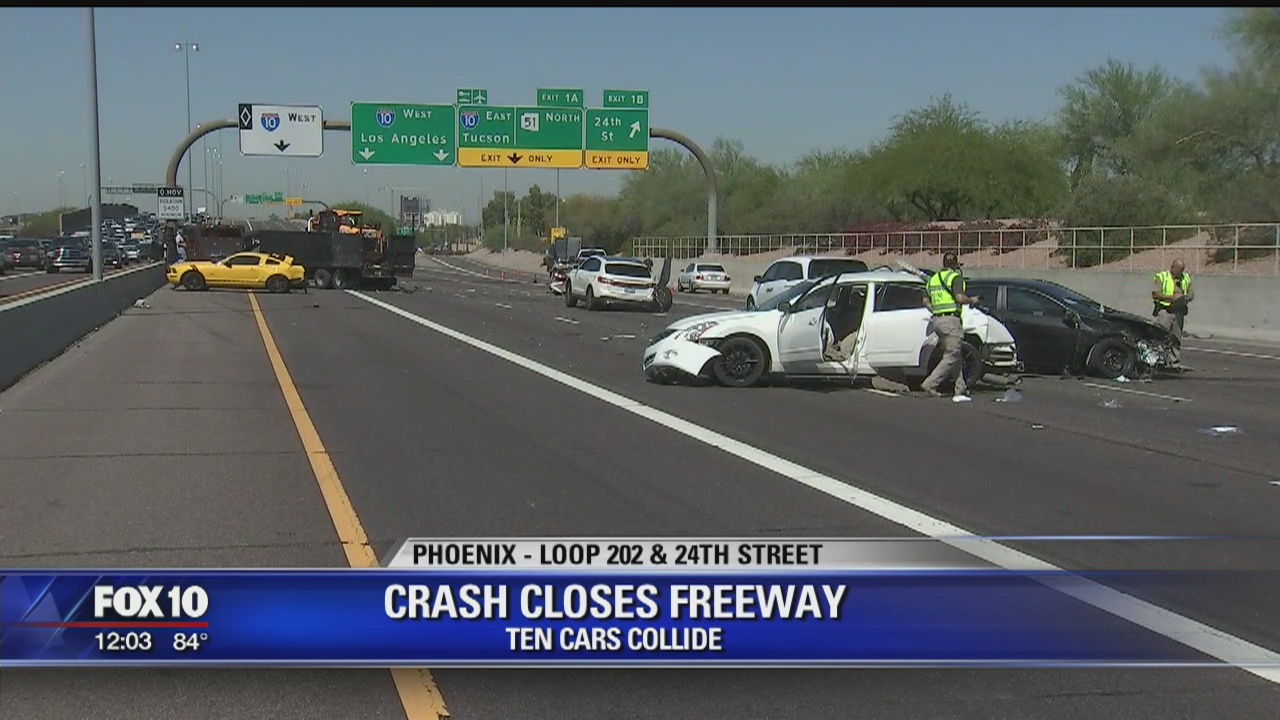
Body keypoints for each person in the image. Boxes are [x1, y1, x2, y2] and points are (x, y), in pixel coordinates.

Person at [921, 252, 981, 401]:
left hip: (937, 321)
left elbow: (924, 300)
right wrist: (972, 300)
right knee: (952, 354)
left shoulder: (933, 280)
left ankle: (960, 388)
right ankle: (930, 383)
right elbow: (960, 298)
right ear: (955, 264)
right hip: (951, 321)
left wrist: (935, 309)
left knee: (955, 353)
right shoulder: (955, 278)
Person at [1152, 259, 1193, 364]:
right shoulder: (1162, 277)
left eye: (1181, 271)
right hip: (1165, 311)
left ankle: (1174, 361)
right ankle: (1159, 360)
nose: (1179, 273)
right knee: (1161, 337)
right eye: (1178, 270)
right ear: (1172, 267)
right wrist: (1171, 297)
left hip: (1178, 312)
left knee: (1176, 338)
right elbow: (1155, 294)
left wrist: (1186, 298)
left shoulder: (1186, 278)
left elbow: (1191, 293)